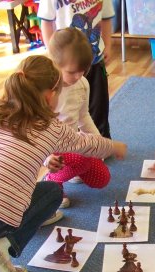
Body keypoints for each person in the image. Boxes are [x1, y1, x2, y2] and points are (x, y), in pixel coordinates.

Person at [0, 55, 127, 272]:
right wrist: (114, 146)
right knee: (53, 192)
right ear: (49, 96)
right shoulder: (50, 128)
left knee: (26, 191)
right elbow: (87, 144)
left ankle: (25, 217)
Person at [44, 27, 114, 208]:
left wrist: (99, 142)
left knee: (102, 178)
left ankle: (74, 168)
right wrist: (47, 158)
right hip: (52, 150)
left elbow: (84, 116)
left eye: (83, 70)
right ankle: (51, 181)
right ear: (55, 64)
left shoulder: (82, 84)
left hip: (73, 144)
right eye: (72, 72)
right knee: (81, 159)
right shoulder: (46, 91)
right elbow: (35, 132)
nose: (79, 76)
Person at [38, 0, 114, 139]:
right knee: (66, 109)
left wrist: (107, 44)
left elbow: (106, 18)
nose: (79, 76)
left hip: (95, 61)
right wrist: (53, 55)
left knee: (99, 107)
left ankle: (102, 142)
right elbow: (46, 23)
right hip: (65, 64)